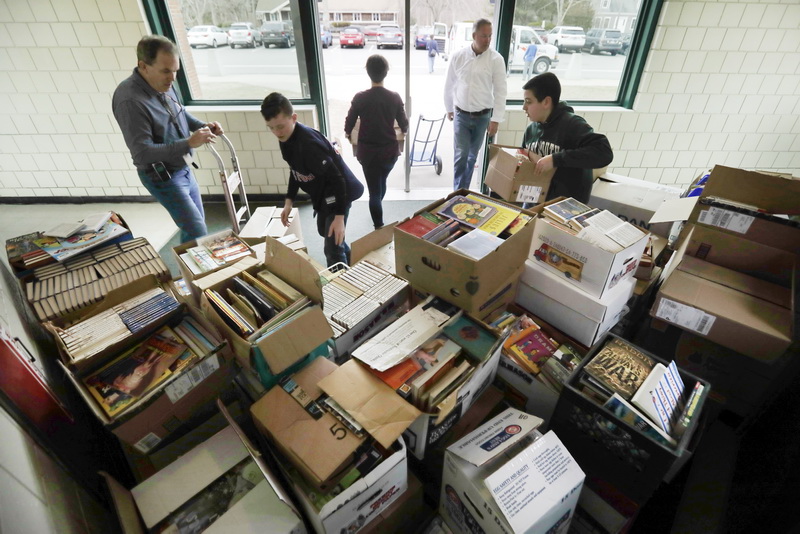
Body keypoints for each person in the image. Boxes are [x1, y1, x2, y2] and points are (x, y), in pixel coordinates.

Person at [112, 35, 223, 243]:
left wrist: (202, 127)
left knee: (197, 224)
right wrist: (189, 143)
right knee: (196, 229)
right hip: (162, 176)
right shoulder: (129, 101)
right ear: (143, 66)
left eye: (175, 71)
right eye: (166, 71)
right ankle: (192, 274)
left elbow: (179, 112)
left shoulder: (164, 83)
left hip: (183, 167)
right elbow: (142, 152)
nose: (172, 78)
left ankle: (197, 271)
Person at [261, 92, 364, 267]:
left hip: (340, 191)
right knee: (325, 232)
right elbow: (295, 170)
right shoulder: (285, 138)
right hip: (323, 192)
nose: (276, 132)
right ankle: (353, 261)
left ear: (293, 118)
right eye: (271, 127)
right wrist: (289, 201)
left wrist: (339, 217)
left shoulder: (309, 145)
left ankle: (343, 288)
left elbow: (337, 180)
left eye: (280, 126)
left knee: (332, 249)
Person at [521, 72, 613, 203]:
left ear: (546, 102)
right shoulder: (531, 130)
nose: (524, 107)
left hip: (566, 206)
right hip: (535, 200)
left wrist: (556, 159)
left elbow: (604, 153)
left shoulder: (573, 125)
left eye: (528, 102)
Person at [344, 55, 409, 230]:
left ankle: (378, 226)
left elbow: (349, 122)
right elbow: (404, 124)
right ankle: (377, 208)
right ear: (386, 72)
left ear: (368, 72)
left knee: (374, 190)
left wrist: (347, 132)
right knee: (381, 183)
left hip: (367, 154)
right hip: (389, 153)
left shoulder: (360, 97)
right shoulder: (394, 97)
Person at [444, 19, 507, 191]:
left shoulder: (496, 60)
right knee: (461, 155)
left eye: (489, 36)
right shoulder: (459, 56)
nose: (487, 40)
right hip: (461, 115)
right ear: (473, 36)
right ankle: (457, 192)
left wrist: (496, 119)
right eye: (483, 36)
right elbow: (449, 84)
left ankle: (463, 191)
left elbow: (501, 91)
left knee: (472, 157)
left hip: (483, 117)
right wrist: (449, 108)